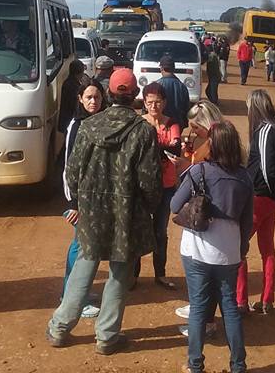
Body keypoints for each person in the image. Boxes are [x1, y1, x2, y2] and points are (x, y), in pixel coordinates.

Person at [46, 68, 162, 355]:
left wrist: (81, 202)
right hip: (127, 213)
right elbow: (149, 180)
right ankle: (107, 337)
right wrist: (147, 207)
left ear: (109, 94)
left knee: (84, 267)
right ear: (135, 96)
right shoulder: (143, 131)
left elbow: (71, 173)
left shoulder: (88, 126)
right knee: (120, 273)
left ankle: (60, 328)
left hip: (92, 213)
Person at [172, 121, 253, 373]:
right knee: (229, 307)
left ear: (213, 145)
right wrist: (240, 250)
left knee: (198, 306)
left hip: (197, 250)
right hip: (229, 251)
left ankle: (195, 364)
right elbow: (247, 222)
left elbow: (175, 205)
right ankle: (238, 365)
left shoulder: (200, 171)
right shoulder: (245, 177)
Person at [237, 89, 275, 315]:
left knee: (237, 248)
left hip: (260, 197)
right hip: (271, 198)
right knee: (267, 249)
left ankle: (240, 301)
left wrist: (274, 194)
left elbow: (267, 169)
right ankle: (267, 299)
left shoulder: (264, 130)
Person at [61, 77, 108, 319]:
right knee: (80, 246)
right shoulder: (76, 126)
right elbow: (69, 165)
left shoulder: (103, 122)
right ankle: (70, 296)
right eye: (88, 97)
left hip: (98, 200)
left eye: (97, 97)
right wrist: (73, 204)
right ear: (80, 99)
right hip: (80, 202)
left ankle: (82, 291)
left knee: (89, 247)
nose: (93, 101)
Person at [133, 82, 182, 291]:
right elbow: (167, 149)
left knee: (160, 231)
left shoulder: (172, 124)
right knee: (137, 229)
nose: (154, 106)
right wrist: (163, 149)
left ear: (165, 103)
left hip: (166, 185)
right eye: (150, 102)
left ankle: (159, 274)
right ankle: (132, 275)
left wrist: (152, 147)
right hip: (141, 187)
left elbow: (176, 149)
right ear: (144, 103)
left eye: (158, 102)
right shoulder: (138, 123)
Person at [156, 55, 191, 128]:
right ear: (174, 68)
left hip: (161, 125)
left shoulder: (156, 85)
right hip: (177, 125)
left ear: (161, 68)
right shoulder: (182, 87)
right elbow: (186, 108)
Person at [59, 59, 87, 132]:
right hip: (70, 119)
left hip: (66, 119)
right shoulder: (73, 85)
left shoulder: (68, 82)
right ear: (80, 72)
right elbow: (74, 105)